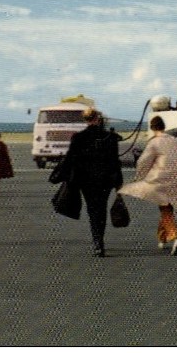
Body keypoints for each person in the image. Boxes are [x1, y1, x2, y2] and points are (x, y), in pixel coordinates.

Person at [120, 116, 177, 256]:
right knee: (168, 207)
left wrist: (139, 177)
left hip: (160, 181)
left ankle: (175, 236)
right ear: (163, 126)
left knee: (164, 208)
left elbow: (143, 162)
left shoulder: (154, 143)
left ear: (153, 128)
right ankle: (162, 238)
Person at [62, 108, 123, 257]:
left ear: (85, 119)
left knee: (92, 209)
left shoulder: (78, 138)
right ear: (97, 118)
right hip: (105, 181)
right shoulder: (110, 137)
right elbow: (115, 162)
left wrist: (67, 178)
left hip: (86, 181)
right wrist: (118, 182)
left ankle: (97, 242)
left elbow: (71, 160)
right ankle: (99, 240)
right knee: (101, 209)